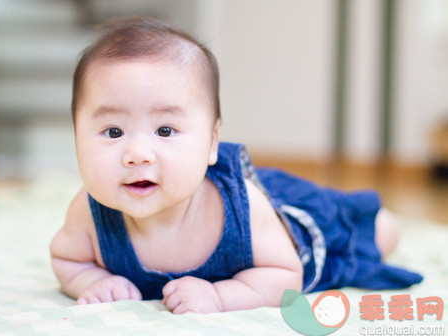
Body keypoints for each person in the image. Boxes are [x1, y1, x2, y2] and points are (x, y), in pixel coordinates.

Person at [50, 17, 422, 314]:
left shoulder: (239, 208)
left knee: (381, 234)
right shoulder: (88, 211)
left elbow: (286, 275)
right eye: (113, 131)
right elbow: (65, 257)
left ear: (212, 143)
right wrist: (90, 281)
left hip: (292, 229)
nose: (137, 154)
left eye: (165, 130)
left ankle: (366, 218)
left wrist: (219, 297)